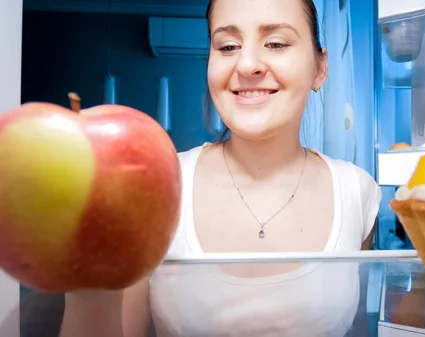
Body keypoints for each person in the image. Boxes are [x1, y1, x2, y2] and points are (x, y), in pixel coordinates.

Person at [59, 0, 382, 336]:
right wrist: (86, 279)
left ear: (319, 67)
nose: (247, 64)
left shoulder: (357, 192)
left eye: (276, 43)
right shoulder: (156, 186)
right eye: (228, 46)